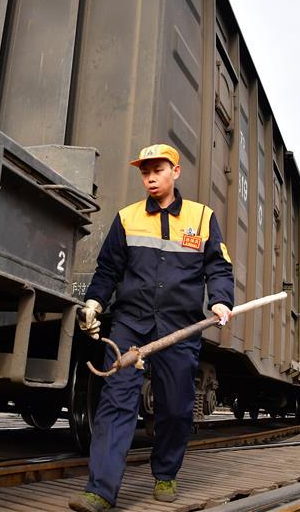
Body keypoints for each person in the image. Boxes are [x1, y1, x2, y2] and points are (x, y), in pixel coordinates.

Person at [68, 144, 235, 512]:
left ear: (175, 172)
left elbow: (219, 268)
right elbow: (108, 269)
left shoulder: (202, 217)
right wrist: (94, 303)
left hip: (180, 328)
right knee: (116, 404)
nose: (150, 177)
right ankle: (100, 490)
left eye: (158, 170)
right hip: (131, 325)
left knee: (175, 409)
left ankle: (165, 474)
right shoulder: (127, 218)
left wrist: (221, 299)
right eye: (145, 172)